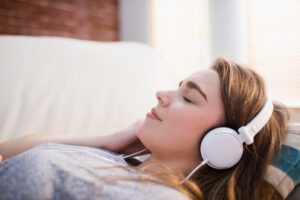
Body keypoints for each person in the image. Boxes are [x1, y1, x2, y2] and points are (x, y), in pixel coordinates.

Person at [0, 57, 290, 200]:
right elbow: (7, 151)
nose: (162, 94)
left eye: (189, 98)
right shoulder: (118, 159)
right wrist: (106, 141)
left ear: (221, 144)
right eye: (178, 88)